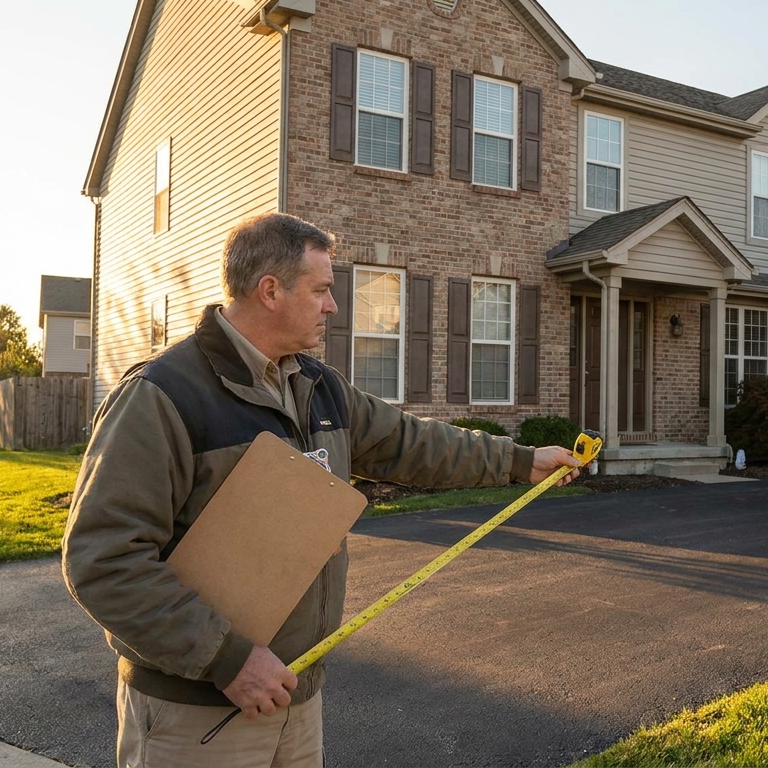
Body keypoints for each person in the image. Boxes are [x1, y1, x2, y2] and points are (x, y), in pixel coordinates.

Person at [62, 212, 582, 768]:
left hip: (294, 697)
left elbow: (414, 442)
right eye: (322, 290)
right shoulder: (162, 396)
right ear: (270, 291)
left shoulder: (316, 386)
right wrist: (228, 659)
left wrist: (523, 460)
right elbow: (103, 560)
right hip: (196, 714)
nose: (333, 307)